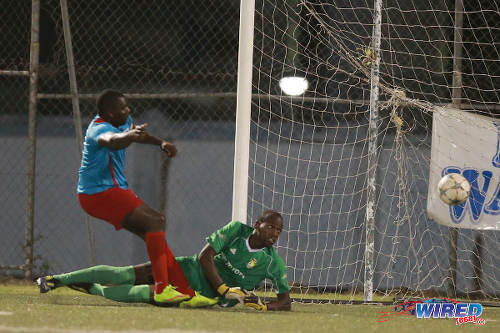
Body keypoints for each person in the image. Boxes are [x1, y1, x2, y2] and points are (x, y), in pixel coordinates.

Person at [37, 210, 292, 311]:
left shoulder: (272, 263)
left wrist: (263, 306)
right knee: (125, 273)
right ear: (258, 224)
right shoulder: (237, 230)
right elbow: (205, 257)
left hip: (197, 293)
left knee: (139, 294)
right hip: (188, 267)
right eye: (271, 227)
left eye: (278, 231)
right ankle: (56, 279)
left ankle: (94, 288)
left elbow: (285, 301)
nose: (274, 234)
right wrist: (225, 289)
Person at [69, 89, 188, 304]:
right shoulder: (99, 130)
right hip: (97, 194)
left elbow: (135, 133)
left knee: (152, 234)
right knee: (156, 221)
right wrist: (130, 136)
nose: (128, 109)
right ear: (112, 114)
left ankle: (183, 289)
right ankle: (163, 289)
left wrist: (160, 143)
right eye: (123, 108)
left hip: (114, 191)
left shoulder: (124, 121)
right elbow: (113, 140)